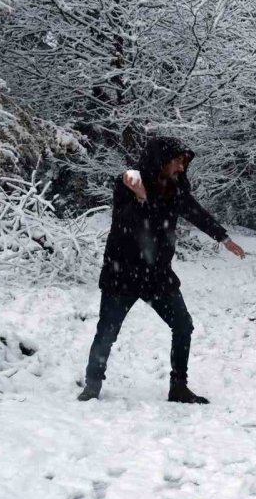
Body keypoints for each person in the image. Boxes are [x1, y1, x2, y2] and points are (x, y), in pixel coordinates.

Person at [77, 137, 245, 404]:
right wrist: (141, 198)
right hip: (122, 273)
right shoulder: (129, 183)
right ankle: (92, 385)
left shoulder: (175, 189)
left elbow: (196, 213)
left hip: (157, 275)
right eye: (177, 162)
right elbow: (124, 223)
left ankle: (178, 386)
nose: (181, 167)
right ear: (161, 161)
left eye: (183, 163)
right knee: (107, 331)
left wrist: (223, 239)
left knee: (183, 326)